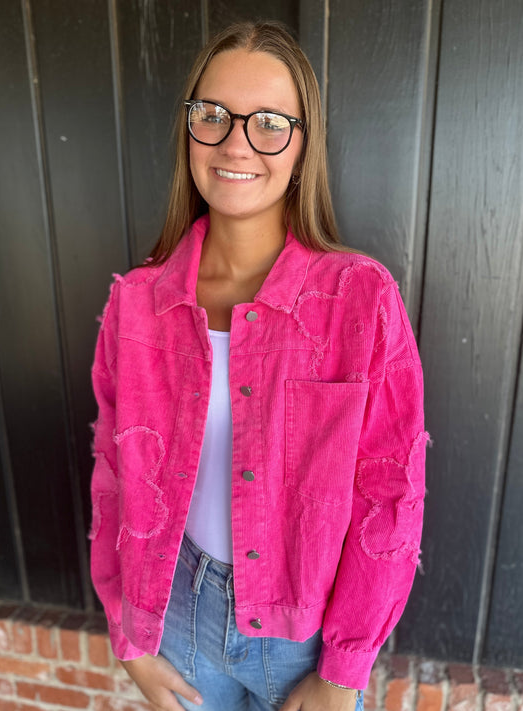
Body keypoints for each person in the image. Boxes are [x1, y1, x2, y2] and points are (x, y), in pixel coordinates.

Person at [89, 20, 428, 711]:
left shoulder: (359, 300)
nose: (236, 142)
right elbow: (112, 473)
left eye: (269, 122)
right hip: (175, 618)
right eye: (211, 116)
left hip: (303, 637)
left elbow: (388, 496)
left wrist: (343, 670)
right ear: (189, 131)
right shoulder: (136, 303)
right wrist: (128, 632)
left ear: (302, 145)